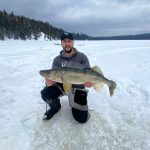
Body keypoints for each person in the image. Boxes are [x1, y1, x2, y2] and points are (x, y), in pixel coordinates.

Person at [40, 32, 92, 123]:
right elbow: (53, 77)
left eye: (69, 41)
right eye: (64, 41)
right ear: (61, 43)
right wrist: (48, 83)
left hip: (78, 87)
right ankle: (56, 107)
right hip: (62, 86)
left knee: (81, 119)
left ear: (73, 42)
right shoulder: (57, 60)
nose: (67, 44)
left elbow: (89, 73)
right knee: (46, 93)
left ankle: (74, 103)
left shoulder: (82, 57)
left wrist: (89, 83)